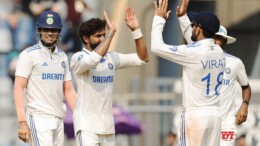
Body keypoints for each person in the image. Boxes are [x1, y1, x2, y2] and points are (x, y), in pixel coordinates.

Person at [176, 0, 252, 145]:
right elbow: (190, 37)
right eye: (213, 36)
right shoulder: (199, 55)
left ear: (224, 40)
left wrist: (245, 104)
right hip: (203, 119)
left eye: (218, 38)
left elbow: (246, 86)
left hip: (225, 123)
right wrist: (182, 18)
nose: (214, 40)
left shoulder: (235, 63)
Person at [70, 7, 149, 146]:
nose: (102, 38)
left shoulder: (111, 58)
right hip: (87, 127)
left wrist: (136, 30)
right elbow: (93, 60)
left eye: (103, 35)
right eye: (98, 36)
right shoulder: (78, 58)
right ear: (86, 38)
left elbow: (143, 58)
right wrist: (110, 35)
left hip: (107, 128)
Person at [151, 0, 225, 146]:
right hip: (215, 115)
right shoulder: (219, 51)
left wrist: (159, 19)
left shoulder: (193, 53)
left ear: (198, 29)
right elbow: (196, 44)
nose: (191, 28)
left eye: (193, 25)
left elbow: (156, 47)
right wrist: (183, 18)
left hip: (195, 115)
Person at [13, 10, 76, 145]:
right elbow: (19, 87)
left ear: (59, 32)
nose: (49, 33)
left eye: (53, 30)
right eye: (45, 29)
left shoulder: (63, 56)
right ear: (39, 30)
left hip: (58, 118)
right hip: (39, 118)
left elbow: (69, 90)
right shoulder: (28, 55)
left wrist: (80, 115)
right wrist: (22, 121)